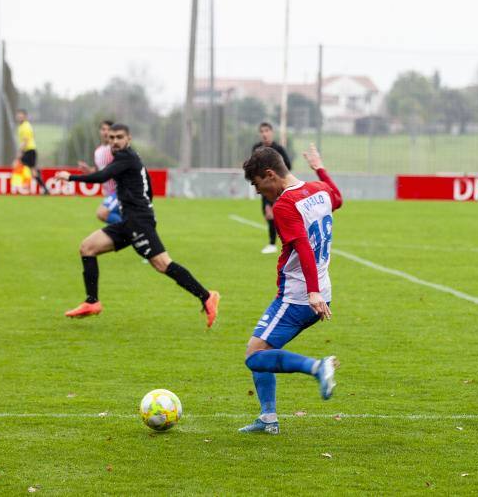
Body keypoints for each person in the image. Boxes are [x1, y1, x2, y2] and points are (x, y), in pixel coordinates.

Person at [54, 123, 220, 326]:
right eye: (112, 138)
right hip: (130, 220)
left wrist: (70, 177)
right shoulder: (130, 157)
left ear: (128, 139)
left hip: (139, 222)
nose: (114, 141)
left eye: (119, 137)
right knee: (87, 247)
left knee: (162, 264)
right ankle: (92, 302)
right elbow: (148, 184)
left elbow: (102, 176)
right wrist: (145, 205)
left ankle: (206, 296)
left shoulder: (126, 158)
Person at [238, 143, 341, 434]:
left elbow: (303, 248)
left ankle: (317, 367)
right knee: (260, 349)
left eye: (259, 187)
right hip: (320, 290)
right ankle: (268, 419)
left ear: (270, 175)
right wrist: (319, 167)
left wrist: (312, 292)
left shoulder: (285, 205)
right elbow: (339, 198)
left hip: (298, 296)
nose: (260, 194)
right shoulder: (318, 189)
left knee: (255, 356)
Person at [251, 122, 291, 254]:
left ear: (271, 132)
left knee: (273, 213)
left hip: (277, 187)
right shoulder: (257, 148)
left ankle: (274, 243)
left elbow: (288, 166)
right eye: (262, 131)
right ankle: (278, 243)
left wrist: (276, 177)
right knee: (268, 213)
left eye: (267, 131)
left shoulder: (278, 149)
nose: (264, 134)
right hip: (264, 187)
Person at [78, 120, 123, 224]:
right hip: (109, 193)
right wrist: (89, 170)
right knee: (115, 220)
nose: (106, 132)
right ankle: (129, 235)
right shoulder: (98, 151)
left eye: (109, 130)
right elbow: (100, 170)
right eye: (103, 129)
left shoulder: (116, 149)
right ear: (100, 131)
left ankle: (131, 231)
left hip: (120, 191)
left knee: (102, 213)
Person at [15, 109, 50, 195]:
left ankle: (42, 187)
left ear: (25, 117)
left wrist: (20, 152)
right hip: (30, 150)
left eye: (21, 116)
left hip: (30, 150)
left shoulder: (25, 126)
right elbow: (32, 136)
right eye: (18, 116)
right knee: (31, 170)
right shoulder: (23, 126)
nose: (19, 118)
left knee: (21, 164)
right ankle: (44, 188)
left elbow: (25, 140)